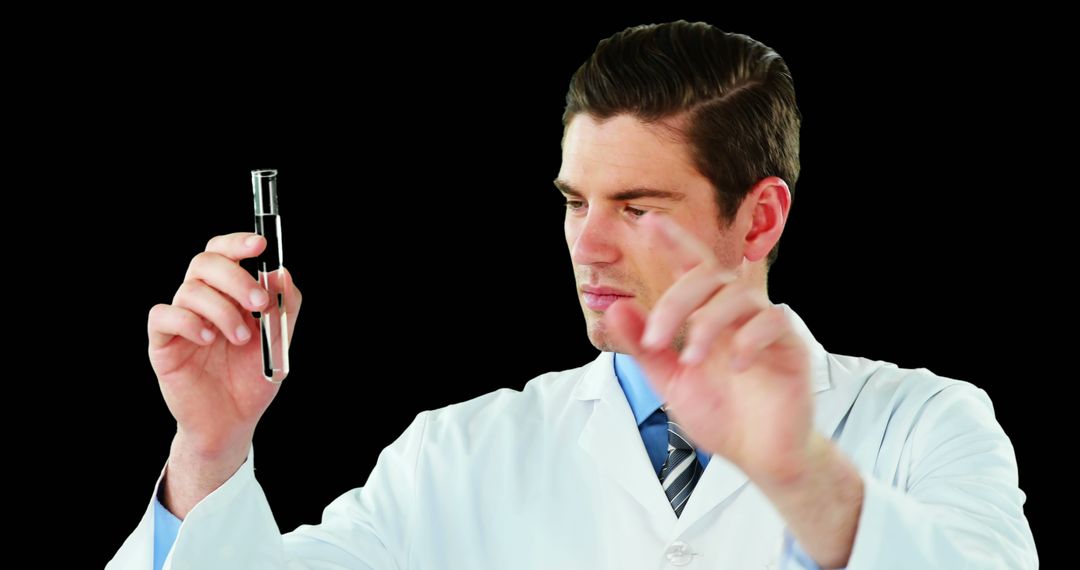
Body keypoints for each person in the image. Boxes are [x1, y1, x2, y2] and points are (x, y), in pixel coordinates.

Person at [108, 20, 1037, 569]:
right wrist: (211, 446)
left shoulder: (925, 424)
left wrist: (797, 470)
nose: (586, 245)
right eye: (574, 201)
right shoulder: (460, 456)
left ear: (758, 220)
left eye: (637, 206)